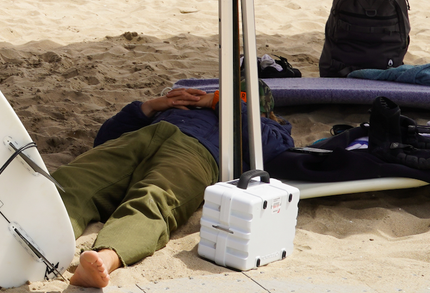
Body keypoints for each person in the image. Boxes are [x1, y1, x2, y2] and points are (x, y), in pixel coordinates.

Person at [54, 83, 292, 288]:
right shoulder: (188, 106)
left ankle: (106, 258)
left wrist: (223, 103)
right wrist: (147, 108)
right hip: (146, 135)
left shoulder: (270, 128)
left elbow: (272, 148)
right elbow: (104, 138)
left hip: (198, 153)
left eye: (240, 100)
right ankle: (45, 231)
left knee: (153, 199)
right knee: (75, 179)